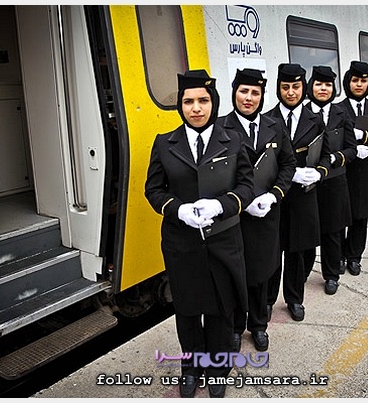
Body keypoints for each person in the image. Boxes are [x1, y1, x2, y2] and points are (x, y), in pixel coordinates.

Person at [144, 69, 254, 398]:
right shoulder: (165, 143)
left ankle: (217, 369)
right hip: (182, 244)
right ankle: (191, 367)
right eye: (188, 101)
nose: (195, 108)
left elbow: (247, 187)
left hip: (223, 241)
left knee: (222, 311)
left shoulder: (232, 140)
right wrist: (178, 210)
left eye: (203, 100)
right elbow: (153, 190)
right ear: (180, 105)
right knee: (188, 311)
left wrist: (221, 205)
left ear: (213, 103)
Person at [217, 68, 296, 352]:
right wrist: (241, 201)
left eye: (255, 93)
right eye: (243, 91)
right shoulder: (220, 128)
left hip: (266, 215)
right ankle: (236, 327)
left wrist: (274, 196)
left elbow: (288, 165)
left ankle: (259, 325)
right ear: (234, 93)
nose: (248, 98)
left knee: (262, 274)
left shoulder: (275, 125)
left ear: (262, 96)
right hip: (234, 218)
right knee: (236, 274)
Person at [264, 63, 325, 321]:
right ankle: (267, 301)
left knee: (297, 253)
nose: (291, 92)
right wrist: (289, 174)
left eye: (296, 87)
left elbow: (326, 152)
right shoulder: (267, 119)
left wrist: (319, 172)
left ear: (304, 88)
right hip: (275, 198)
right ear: (278, 89)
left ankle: (294, 298)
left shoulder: (315, 119)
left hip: (302, 196)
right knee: (272, 252)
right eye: (285, 87)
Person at [306, 65, 357, 295]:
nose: (323, 89)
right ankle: (303, 272)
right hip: (308, 183)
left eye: (328, 85)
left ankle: (331, 275)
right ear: (311, 86)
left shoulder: (341, 113)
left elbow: (352, 149)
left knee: (333, 232)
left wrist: (336, 157)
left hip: (335, 181)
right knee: (307, 232)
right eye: (319, 84)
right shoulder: (303, 112)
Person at [336, 61, 368, 276]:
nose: (359, 85)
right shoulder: (338, 109)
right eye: (355, 80)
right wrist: (352, 148)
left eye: (363, 81)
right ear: (348, 82)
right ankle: (338, 256)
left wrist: (365, 137)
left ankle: (354, 257)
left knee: (361, 216)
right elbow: (333, 137)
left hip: (367, 169)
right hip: (344, 169)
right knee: (340, 215)